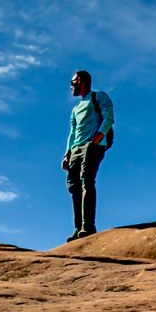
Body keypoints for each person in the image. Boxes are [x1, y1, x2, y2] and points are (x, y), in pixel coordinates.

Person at [62, 69, 114, 241]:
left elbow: (108, 118)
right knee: (73, 186)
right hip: (76, 148)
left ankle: (88, 226)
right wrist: (67, 154)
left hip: (93, 145)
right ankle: (78, 229)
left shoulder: (98, 97)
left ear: (81, 80)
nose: (71, 86)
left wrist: (97, 139)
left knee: (87, 180)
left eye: (73, 82)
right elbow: (72, 132)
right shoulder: (76, 108)